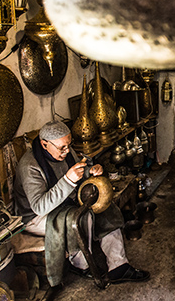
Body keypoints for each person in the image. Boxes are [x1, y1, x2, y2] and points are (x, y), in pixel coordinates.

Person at [13, 121, 149, 298]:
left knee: (104, 206)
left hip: (64, 201)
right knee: (81, 218)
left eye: (68, 146)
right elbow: (39, 207)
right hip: (35, 217)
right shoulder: (30, 166)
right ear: (44, 144)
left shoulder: (66, 154)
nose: (67, 151)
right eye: (62, 148)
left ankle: (118, 266)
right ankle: (82, 264)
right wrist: (68, 180)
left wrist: (91, 171)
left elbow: (80, 171)